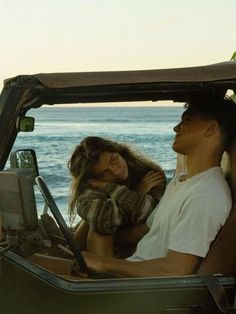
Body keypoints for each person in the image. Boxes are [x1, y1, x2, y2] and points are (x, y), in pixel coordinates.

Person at [73, 95, 236, 278]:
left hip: (139, 292)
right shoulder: (181, 181)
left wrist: (103, 264)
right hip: (130, 274)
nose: (176, 128)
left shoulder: (206, 195)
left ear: (210, 128)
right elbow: (149, 231)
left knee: (37, 277)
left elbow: (175, 270)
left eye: (186, 121)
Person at [68, 136, 166, 257]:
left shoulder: (148, 172)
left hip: (135, 241)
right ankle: (99, 273)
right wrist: (136, 196)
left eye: (113, 160)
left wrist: (115, 193)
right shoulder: (91, 184)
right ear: (95, 178)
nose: (116, 171)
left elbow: (149, 213)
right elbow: (104, 222)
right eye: (104, 173)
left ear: (118, 151)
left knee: (144, 227)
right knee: (98, 222)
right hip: (87, 242)